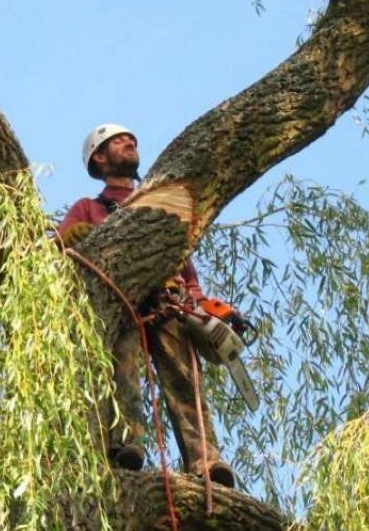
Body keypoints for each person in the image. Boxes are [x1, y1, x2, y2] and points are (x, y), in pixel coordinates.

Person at [58, 123, 236, 488]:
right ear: (99, 158)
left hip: (168, 300)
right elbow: (62, 243)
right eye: (117, 142)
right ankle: (126, 443)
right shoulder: (89, 207)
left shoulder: (158, 205)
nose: (129, 142)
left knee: (186, 378)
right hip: (119, 299)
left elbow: (186, 270)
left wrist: (204, 306)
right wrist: (73, 239)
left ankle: (206, 460)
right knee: (121, 368)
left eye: (131, 140)